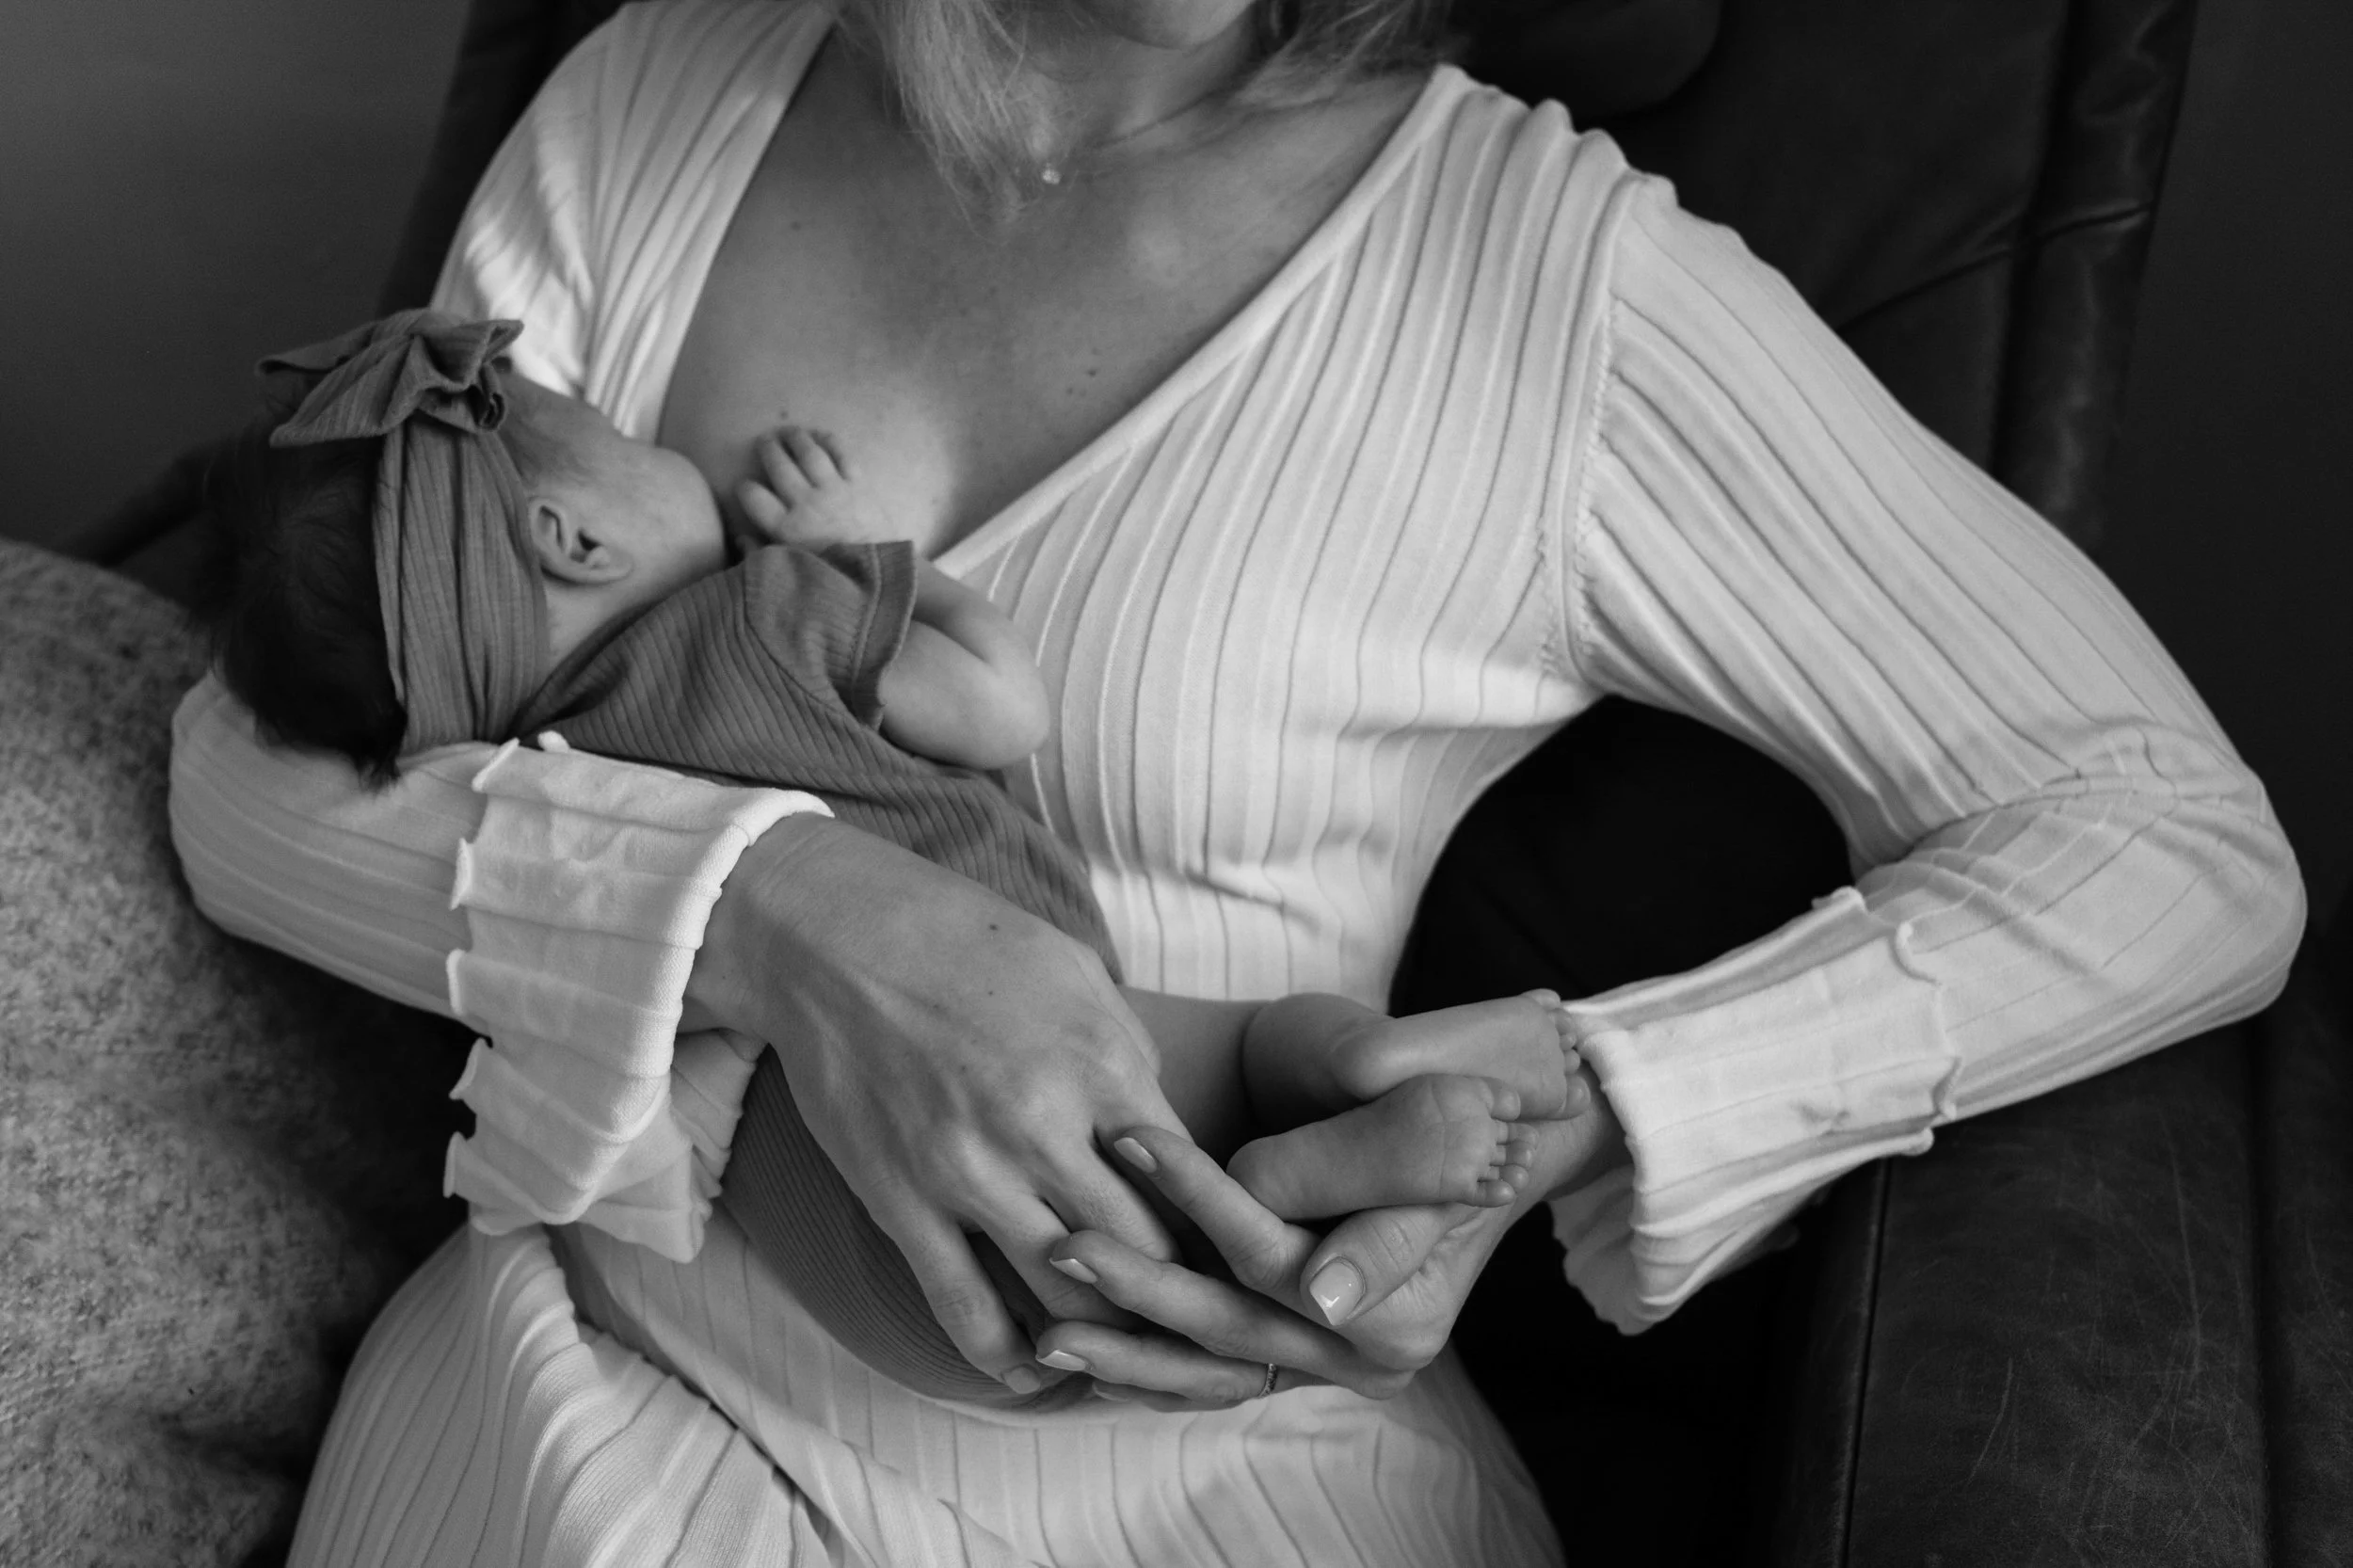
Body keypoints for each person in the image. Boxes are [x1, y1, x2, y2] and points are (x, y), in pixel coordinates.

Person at [164, 0, 2306, 1559]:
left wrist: (1604, 1096)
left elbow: (2169, 834)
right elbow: (267, 763)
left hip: (1162, 1470)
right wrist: (787, 922)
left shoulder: (1560, 294)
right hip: (562, 1391)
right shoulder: (656, 96)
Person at [197, 304, 1583, 1408]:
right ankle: (1347, 1070)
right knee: (1237, 1064)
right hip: (1025, 1056)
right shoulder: (770, 612)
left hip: (840, 1236)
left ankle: (1303, 1162)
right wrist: (851, 555)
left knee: (1108, 1286)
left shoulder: (540, 777)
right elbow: (998, 710)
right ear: (571, 536)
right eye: (608, 425)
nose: (639, 430)